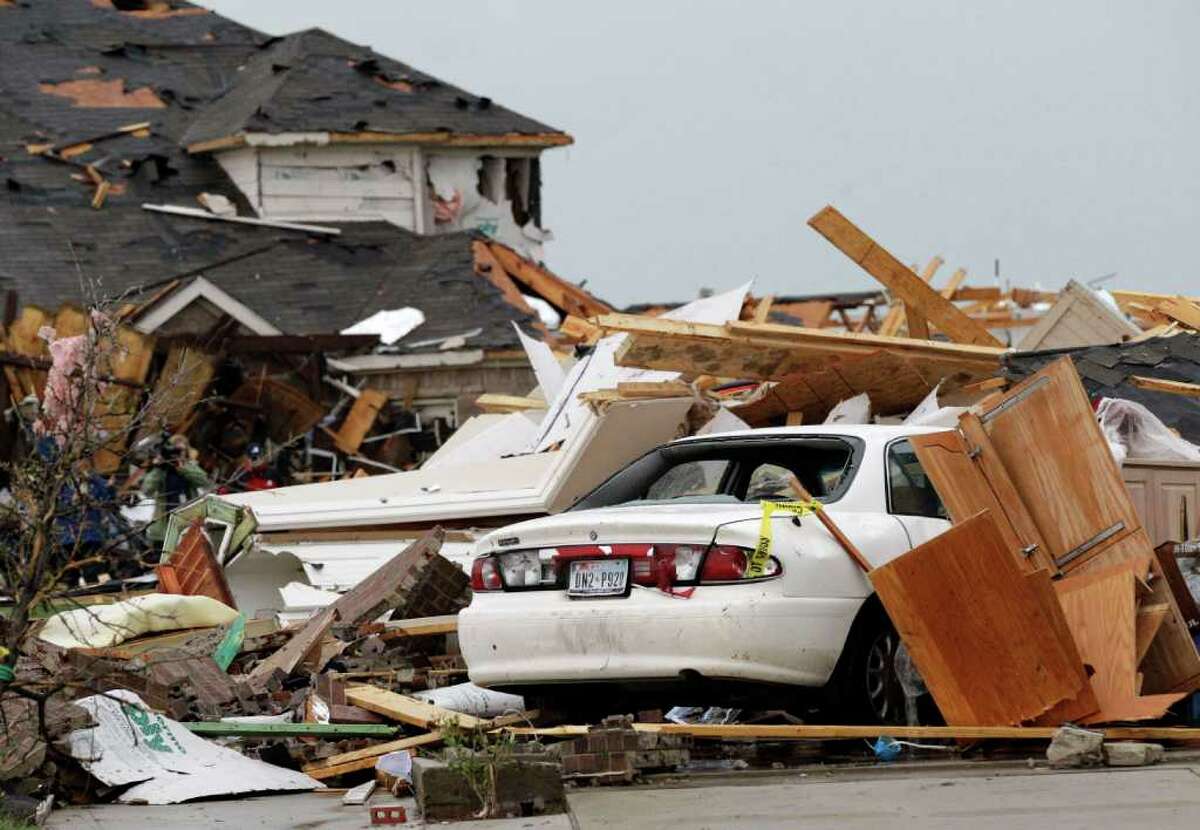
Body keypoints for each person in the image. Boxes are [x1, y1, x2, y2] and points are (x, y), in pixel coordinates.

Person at [139, 433, 211, 550]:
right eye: (174, 451)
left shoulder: (189, 467)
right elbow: (147, 490)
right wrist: (159, 468)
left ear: (186, 451)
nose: (176, 454)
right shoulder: (162, 470)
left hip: (189, 526)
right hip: (164, 529)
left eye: (180, 451)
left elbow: (204, 481)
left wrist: (183, 467)